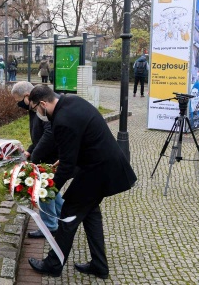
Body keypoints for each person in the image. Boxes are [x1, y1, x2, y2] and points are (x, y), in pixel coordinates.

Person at [27, 85, 137, 279]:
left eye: (36, 108)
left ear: (43, 104)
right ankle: (99, 265)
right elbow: (81, 141)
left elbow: (67, 169)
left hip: (96, 172)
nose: (37, 113)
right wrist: (66, 160)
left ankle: (53, 264)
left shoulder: (61, 121)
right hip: (104, 166)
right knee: (91, 214)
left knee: (68, 216)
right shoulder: (72, 101)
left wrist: (48, 191)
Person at [11, 82, 64, 239]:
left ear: (28, 96)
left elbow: (49, 134)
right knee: (52, 189)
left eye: (19, 101)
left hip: (49, 157)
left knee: (44, 191)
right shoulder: (33, 107)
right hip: (44, 154)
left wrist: (35, 156)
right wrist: (29, 150)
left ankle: (50, 226)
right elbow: (38, 135)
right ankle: (62, 216)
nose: (19, 104)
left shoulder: (41, 106)